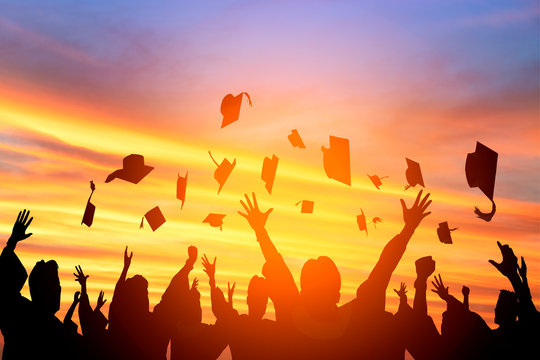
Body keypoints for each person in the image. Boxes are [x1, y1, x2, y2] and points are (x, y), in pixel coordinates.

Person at [237, 190, 432, 359]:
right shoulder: (358, 318)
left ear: (303, 293)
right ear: (337, 294)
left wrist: (260, 231)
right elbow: (383, 269)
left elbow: (279, 270)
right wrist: (408, 229)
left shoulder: (292, 317)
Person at [0, 210, 82, 359]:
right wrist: (12, 242)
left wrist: (12, 243)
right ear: (43, 289)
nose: (59, 289)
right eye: (55, 284)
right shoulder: (21, 314)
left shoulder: (21, 312)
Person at [107, 245, 199, 360]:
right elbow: (171, 298)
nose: (146, 297)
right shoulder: (153, 324)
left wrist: (125, 269)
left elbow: (118, 297)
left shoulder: (121, 321)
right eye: (144, 293)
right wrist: (187, 266)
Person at [201, 254, 281, 359]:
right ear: (248, 300)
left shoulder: (238, 324)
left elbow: (221, 310)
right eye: (260, 300)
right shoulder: (269, 330)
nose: (262, 306)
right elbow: (221, 309)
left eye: (263, 301)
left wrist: (212, 280)